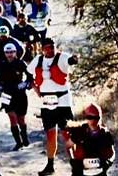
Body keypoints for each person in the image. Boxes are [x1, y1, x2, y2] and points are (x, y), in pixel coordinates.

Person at [29, 38, 77, 175]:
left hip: (63, 102)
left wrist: (74, 59)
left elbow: (70, 61)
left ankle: (75, 165)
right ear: (42, 49)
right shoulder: (38, 60)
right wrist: (35, 88)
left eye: (52, 47)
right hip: (46, 102)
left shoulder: (62, 57)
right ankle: (50, 165)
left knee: (67, 134)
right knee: (50, 135)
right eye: (47, 47)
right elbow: (27, 74)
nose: (50, 50)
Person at [0, 42, 34, 151]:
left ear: (15, 52)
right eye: (7, 52)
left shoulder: (21, 63)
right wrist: (0, 90)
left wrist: (25, 84)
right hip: (7, 94)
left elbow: (30, 76)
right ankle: (18, 142)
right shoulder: (1, 65)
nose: (9, 54)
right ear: (4, 53)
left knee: (21, 119)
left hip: (20, 94)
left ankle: (24, 137)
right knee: (12, 118)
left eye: (11, 52)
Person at [65, 104, 115, 176]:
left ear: (100, 118)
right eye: (90, 117)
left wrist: (109, 161)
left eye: (96, 118)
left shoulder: (105, 134)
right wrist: (72, 160)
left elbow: (112, 152)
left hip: (99, 169)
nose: (93, 121)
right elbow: (68, 145)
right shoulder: (79, 131)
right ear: (86, 118)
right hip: (80, 169)